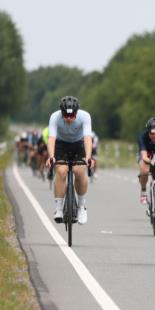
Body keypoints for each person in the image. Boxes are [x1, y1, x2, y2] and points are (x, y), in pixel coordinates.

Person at [46, 96, 95, 225]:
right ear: (61, 113)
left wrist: (88, 157)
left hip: (79, 144)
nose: (68, 119)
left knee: (79, 171)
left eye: (71, 116)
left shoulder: (84, 116)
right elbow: (51, 139)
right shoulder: (55, 117)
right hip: (61, 144)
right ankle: (58, 209)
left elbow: (87, 138)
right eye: (65, 116)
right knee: (61, 171)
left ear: (76, 112)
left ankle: (81, 207)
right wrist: (51, 156)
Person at [137, 117, 155, 204]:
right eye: (151, 133)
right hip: (146, 154)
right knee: (144, 170)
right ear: (148, 131)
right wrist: (152, 162)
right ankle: (143, 191)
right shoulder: (142, 137)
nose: (154, 136)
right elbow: (144, 157)